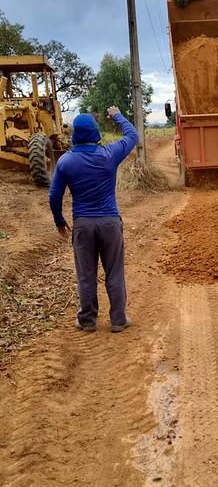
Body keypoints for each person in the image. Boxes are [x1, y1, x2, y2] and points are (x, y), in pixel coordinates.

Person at [49, 106, 138, 333]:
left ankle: (87, 320)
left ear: (75, 134)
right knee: (114, 272)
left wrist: (60, 221)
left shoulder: (66, 162)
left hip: (83, 224)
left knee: (86, 275)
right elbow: (133, 135)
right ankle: (118, 320)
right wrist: (117, 115)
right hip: (110, 222)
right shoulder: (110, 154)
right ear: (96, 133)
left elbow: (54, 195)